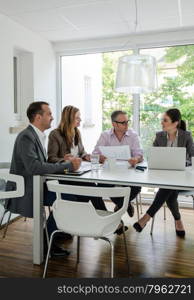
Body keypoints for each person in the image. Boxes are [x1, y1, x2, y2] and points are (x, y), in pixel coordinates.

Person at [6, 101, 81, 256]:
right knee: (67, 198)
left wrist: (63, 160)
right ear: (38, 117)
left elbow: (41, 164)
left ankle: (52, 234)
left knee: (71, 195)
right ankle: (45, 242)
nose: (53, 118)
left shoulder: (36, 135)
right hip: (27, 189)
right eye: (49, 114)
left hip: (38, 185)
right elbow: (34, 167)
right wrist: (67, 166)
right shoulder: (26, 136)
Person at [133, 108, 194, 237]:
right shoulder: (159, 136)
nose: (162, 123)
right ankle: (178, 220)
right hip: (164, 176)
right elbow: (153, 156)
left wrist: (186, 163)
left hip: (181, 177)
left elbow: (193, 157)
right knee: (169, 191)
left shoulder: (186, 136)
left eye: (165, 120)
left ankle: (147, 217)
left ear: (175, 123)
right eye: (162, 120)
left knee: (167, 189)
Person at [47, 105, 107, 211]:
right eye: (77, 117)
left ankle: (81, 216)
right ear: (69, 118)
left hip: (77, 173)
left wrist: (92, 157)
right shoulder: (55, 134)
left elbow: (82, 153)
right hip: (64, 175)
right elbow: (51, 159)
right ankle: (106, 218)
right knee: (92, 188)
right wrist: (64, 159)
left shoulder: (77, 132)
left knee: (91, 187)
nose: (80, 120)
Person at [93, 110, 143, 218]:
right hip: (110, 173)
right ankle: (124, 205)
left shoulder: (133, 135)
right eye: (123, 122)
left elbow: (140, 155)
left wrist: (136, 159)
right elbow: (95, 154)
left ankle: (120, 206)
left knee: (137, 187)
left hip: (129, 173)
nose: (126, 125)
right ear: (114, 124)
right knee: (102, 185)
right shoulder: (105, 135)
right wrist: (101, 158)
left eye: (127, 121)